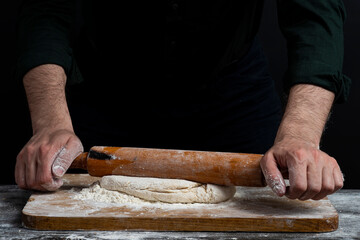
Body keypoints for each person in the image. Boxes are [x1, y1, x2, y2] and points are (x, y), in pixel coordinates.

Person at [15, 0, 350, 200]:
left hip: (233, 98)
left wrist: (300, 134)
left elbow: (314, 17)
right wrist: (50, 123)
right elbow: (46, 9)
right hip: (104, 96)